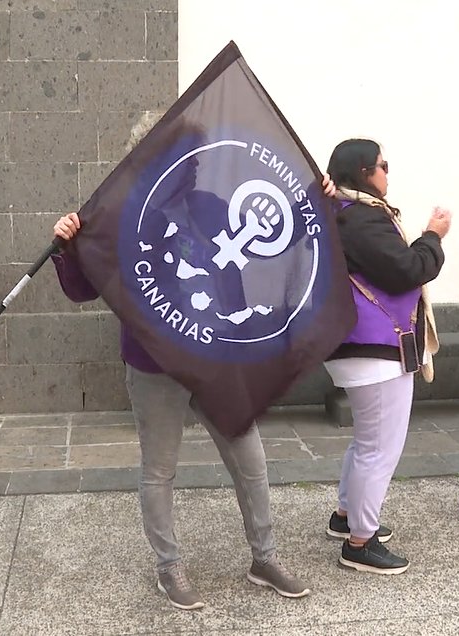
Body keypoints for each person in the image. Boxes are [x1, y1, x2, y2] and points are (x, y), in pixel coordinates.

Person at [51, 113, 332, 610]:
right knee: (159, 469)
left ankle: (264, 558)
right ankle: (169, 567)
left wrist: (311, 200)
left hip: (216, 358)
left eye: (196, 158)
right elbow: (80, 290)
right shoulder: (120, 219)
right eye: (186, 158)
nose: (196, 166)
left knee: (250, 462)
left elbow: (267, 236)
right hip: (154, 364)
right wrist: (68, 247)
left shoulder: (207, 206)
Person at [322, 139, 449, 573]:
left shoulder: (339, 213)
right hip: (375, 346)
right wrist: (432, 236)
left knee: (367, 442)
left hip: (358, 345)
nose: (387, 173)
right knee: (380, 449)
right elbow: (407, 270)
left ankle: (347, 516)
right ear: (364, 173)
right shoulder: (361, 217)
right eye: (383, 165)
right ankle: (360, 542)